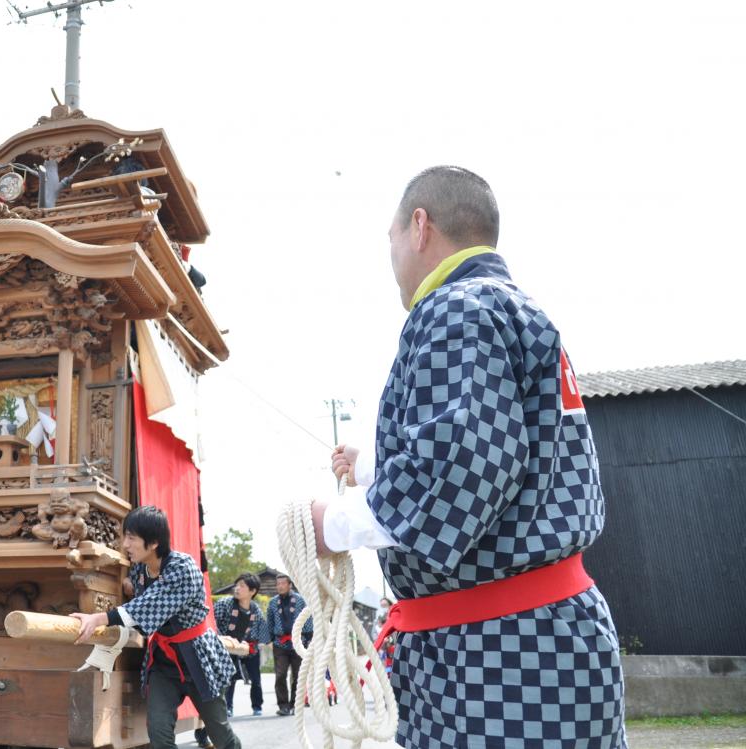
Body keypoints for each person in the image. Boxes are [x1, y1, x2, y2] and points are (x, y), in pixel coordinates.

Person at [311, 166, 626, 748]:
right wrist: (374, 466)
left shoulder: (456, 308)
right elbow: (512, 456)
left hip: (501, 658)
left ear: (419, 227)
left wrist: (332, 524)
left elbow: (466, 463)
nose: (391, 259)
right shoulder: (515, 310)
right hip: (539, 635)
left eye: (391, 238)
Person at [72, 505, 240, 749]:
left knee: (221, 735)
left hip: (198, 659)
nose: (125, 544)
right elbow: (141, 596)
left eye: (131, 538)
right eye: (125, 536)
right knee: (159, 733)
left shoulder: (184, 568)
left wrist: (99, 618)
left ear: (153, 543)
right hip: (164, 663)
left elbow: (149, 604)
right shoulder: (141, 567)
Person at [213, 573, 268, 717]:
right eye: (236, 585)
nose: (237, 588)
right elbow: (213, 626)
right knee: (229, 678)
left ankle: (257, 706)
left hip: (248, 647)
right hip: (227, 647)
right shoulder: (224, 604)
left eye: (242, 586)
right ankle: (228, 707)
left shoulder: (256, 610)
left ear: (252, 591)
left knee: (256, 679)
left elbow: (262, 631)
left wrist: (254, 644)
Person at [265, 573, 312, 716]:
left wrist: (309, 639)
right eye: (277, 584)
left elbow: (308, 620)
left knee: (298, 675)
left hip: (298, 642)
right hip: (280, 643)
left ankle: (295, 705)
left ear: (289, 585)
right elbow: (270, 622)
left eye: (282, 583)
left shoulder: (300, 600)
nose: (280, 586)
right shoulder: (273, 602)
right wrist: (270, 640)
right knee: (280, 675)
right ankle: (283, 705)